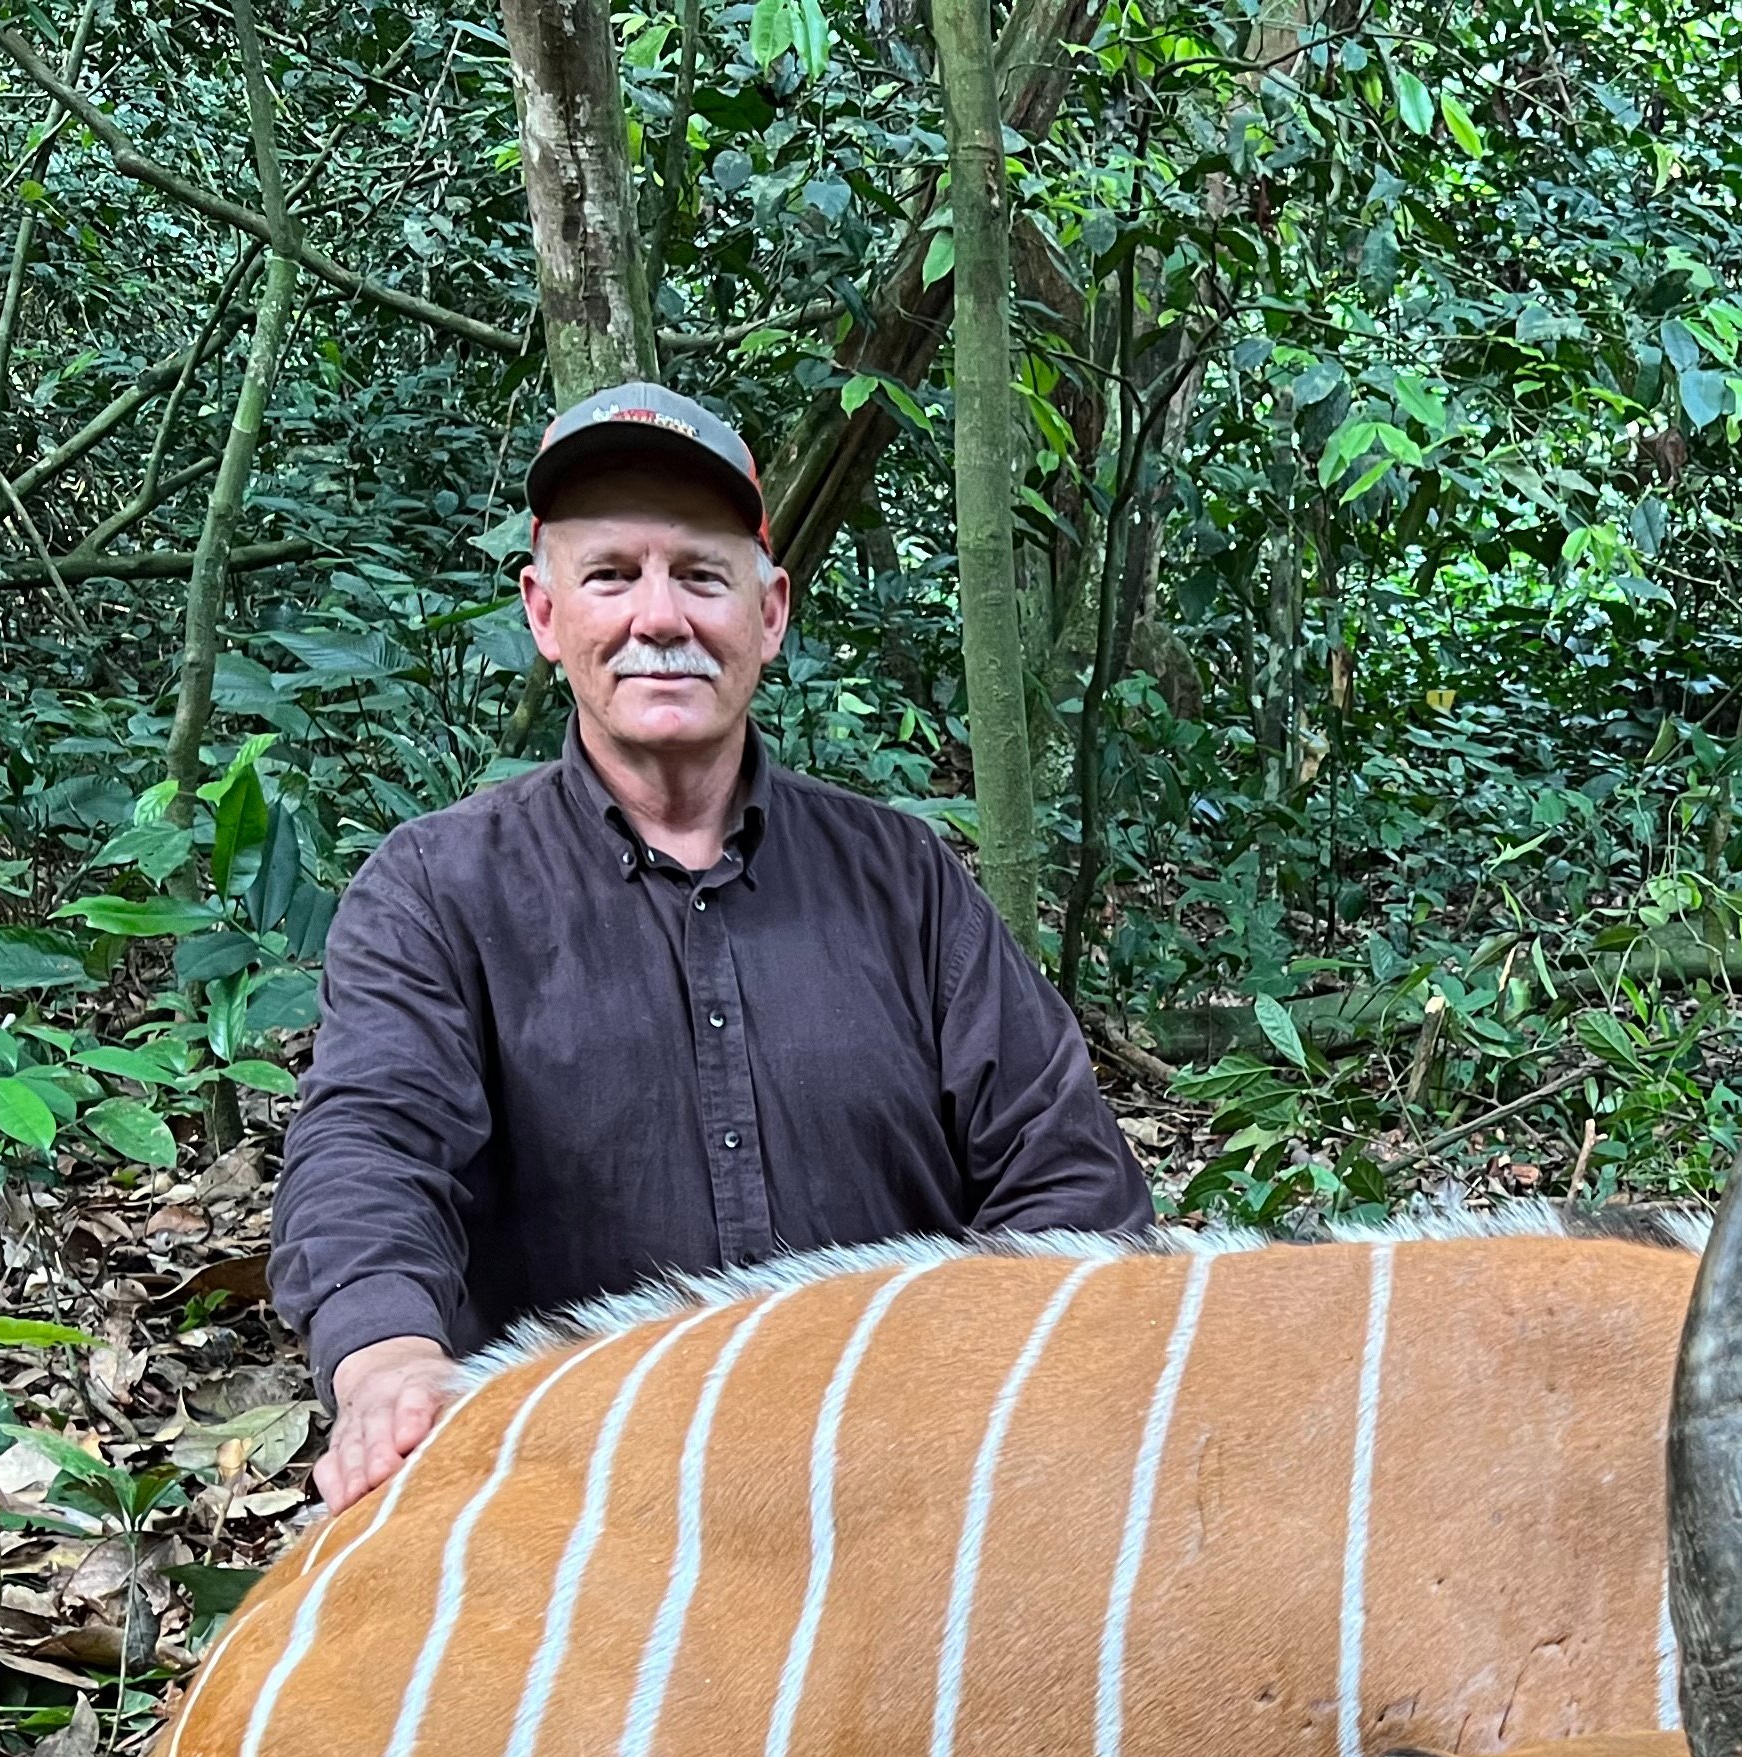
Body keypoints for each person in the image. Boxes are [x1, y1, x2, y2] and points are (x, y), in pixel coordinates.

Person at [271, 383, 1153, 1508]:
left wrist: (989, 1416)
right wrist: (388, 1359)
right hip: (577, 1499)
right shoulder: (438, 889)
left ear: (769, 612)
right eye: (611, 576)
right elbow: (372, 1147)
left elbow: (1064, 1175)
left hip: (905, 1485)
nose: (659, 618)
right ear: (545, 616)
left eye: (699, 574)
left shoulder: (906, 880)